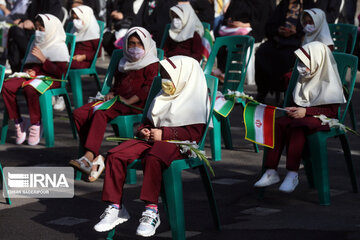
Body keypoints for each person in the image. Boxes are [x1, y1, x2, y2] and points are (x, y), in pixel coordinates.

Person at [93, 55, 210, 237]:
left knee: (154, 158)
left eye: (169, 76)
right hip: (152, 140)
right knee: (115, 155)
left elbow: (195, 133)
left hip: (179, 144)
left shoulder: (194, 99)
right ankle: (115, 206)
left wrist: (165, 134)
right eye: (163, 76)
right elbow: (147, 121)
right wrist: (144, 131)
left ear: (183, 77)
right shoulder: (162, 96)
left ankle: (151, 210)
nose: (165, 81)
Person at [69, 27, 159, 182]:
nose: (135, 48)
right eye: (131, 43)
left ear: (146, 45)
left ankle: (89, 156)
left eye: (139, 44)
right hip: (117, 100)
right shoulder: (124, 61)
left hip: (135, 104)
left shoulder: (151, 63)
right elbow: (118, 84)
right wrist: (111, 92)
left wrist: (128, 101)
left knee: (100, 114)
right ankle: (94, 158)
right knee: (79, 113)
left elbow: (148, 88)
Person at [254, 41, 346, 193]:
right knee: (279, 124)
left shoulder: (330, 82)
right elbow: (299, 101)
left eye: (306, 63)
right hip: (304, 116)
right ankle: (271, 171)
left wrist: (306, 112)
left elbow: (331, 112)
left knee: (297, 127)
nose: (302, 68)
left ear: (318, 61)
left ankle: (292, 173)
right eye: (300, 63)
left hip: (322, 119)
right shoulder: (304, 78)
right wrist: (295, 109)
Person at [1, 14, 69, 145]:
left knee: (30, 88)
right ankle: (18, 122)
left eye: (41, 29)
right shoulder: (36, 41)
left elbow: (60, 72)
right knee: (6, 85)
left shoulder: (59, 46)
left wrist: (44, 60)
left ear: (50, 29)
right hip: (35, 76)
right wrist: (30, 70)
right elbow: (30, 63)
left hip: (53, 78)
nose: (38, 32)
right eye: (36, 28)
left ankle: (36, 123)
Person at [254, 0, 313, 103]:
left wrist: (296, 32)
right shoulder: (284, 4)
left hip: (297, 42)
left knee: (286, 57)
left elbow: (312, 28)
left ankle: (286, 92)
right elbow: (269, 26)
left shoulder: (309, 5)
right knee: (262, 52)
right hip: (279, 40)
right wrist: (278, 30)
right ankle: (262, 91)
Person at [7, 0, 64, 72]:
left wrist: (34, 24)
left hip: (44, 38)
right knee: (14, 30)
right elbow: (27, 16)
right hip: (31, 34)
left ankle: (18, 68)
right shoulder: (35, 3)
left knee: (15, 32)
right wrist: (25, 21)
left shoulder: (54, 4)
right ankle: (16, 69)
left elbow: (51, 25)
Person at [69, 5, 101, 69]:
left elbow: (98, 53)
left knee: (62, 65)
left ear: (86, 18)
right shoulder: (74, 30)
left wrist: (84, 56)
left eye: (78, 19)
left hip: (84, 61)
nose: (75, 22)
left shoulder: (93, 33)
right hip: (72, 58)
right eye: (73, 19)